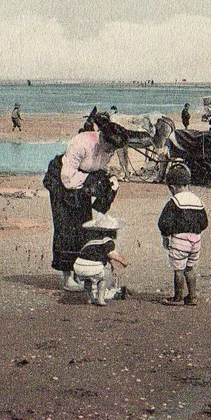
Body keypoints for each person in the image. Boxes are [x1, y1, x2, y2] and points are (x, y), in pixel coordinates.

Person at [45, 110, 126, 292]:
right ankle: (67, 277)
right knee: (66, 227)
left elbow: (97, 167)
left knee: (83, 225)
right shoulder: (82, 143)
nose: (111, 152)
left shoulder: (109, 148)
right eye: (110, 148)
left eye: (114, 150)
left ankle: (78, 271)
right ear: (103, 139)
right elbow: (67, 179)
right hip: (61, 179)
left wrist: (107, 181)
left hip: (83, 177)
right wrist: (90, 183)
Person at [158, 163, 209, 306]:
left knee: (178, 269)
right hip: (196, 240)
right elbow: (204, 222)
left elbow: (164, 222)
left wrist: (166, 236)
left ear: (172, 187)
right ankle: (192, 296)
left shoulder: (174, 202)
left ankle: (178, 297)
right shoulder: (197, 200)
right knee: (190, 269)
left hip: (180, 240)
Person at [72, 211, 128, 306]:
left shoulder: (91, 241)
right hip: (93, 265)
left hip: (79, 264)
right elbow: (111, 254)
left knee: (88, 280)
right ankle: (100, 299)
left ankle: (90, 298)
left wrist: (111, 263)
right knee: (102, 279)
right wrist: (123, 262)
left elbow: (98, 253)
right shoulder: (108, 241)